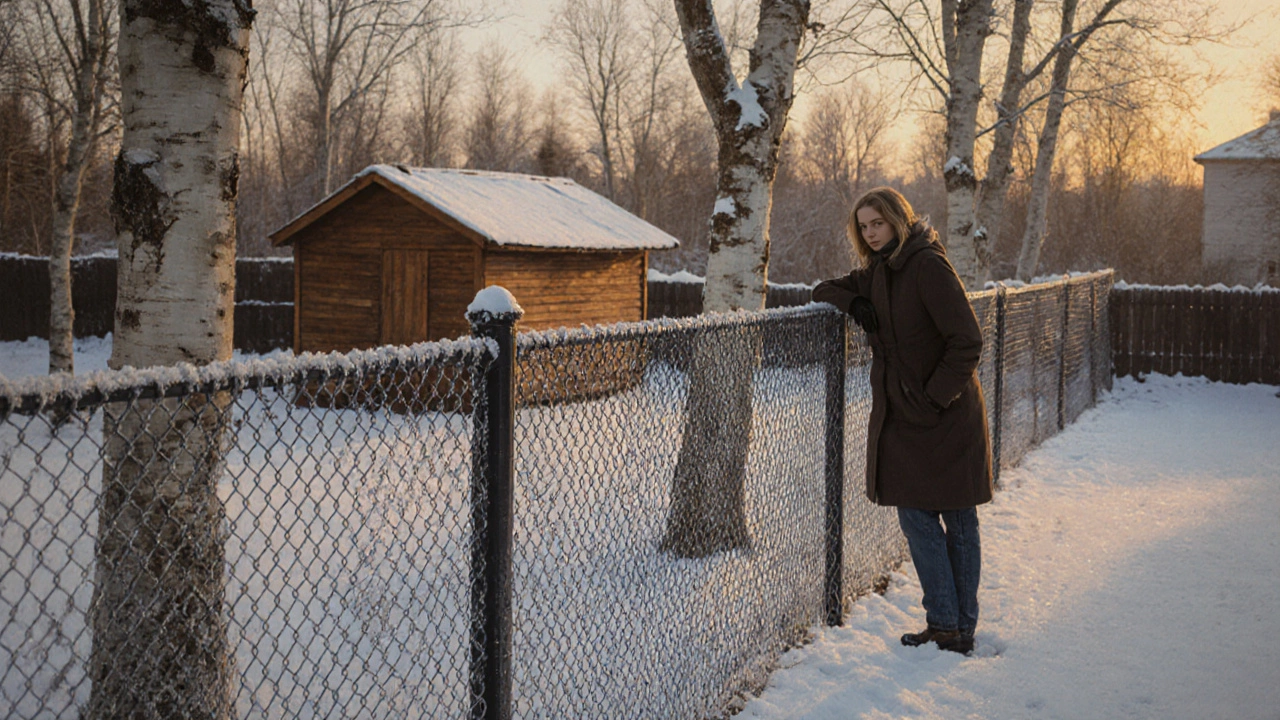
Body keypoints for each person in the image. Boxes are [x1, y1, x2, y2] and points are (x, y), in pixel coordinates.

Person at [812, 187, 993, 656]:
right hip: (907, 419)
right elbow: (823, 289)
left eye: (878, 223)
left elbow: (967, 341)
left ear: (898, 220)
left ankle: (958, 627)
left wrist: (932, 398)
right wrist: (854, 303)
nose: (871, 233)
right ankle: (947, 623)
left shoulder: (927, 265)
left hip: (946, 415)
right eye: (864, 226)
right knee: (917, 520)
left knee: (957, 518)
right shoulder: (879, 271)